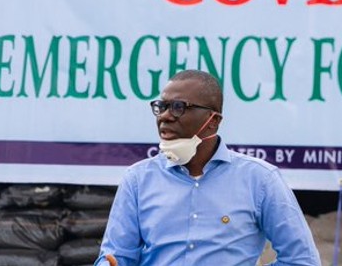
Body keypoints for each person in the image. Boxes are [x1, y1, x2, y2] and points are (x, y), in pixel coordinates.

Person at [94, 69, 321, 265]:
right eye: (161, 106)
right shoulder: (138, 179)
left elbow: (302, 260)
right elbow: (116, 256)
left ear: (213, 120)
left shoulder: (260, 180)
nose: (164, 116)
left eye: (178, 107)